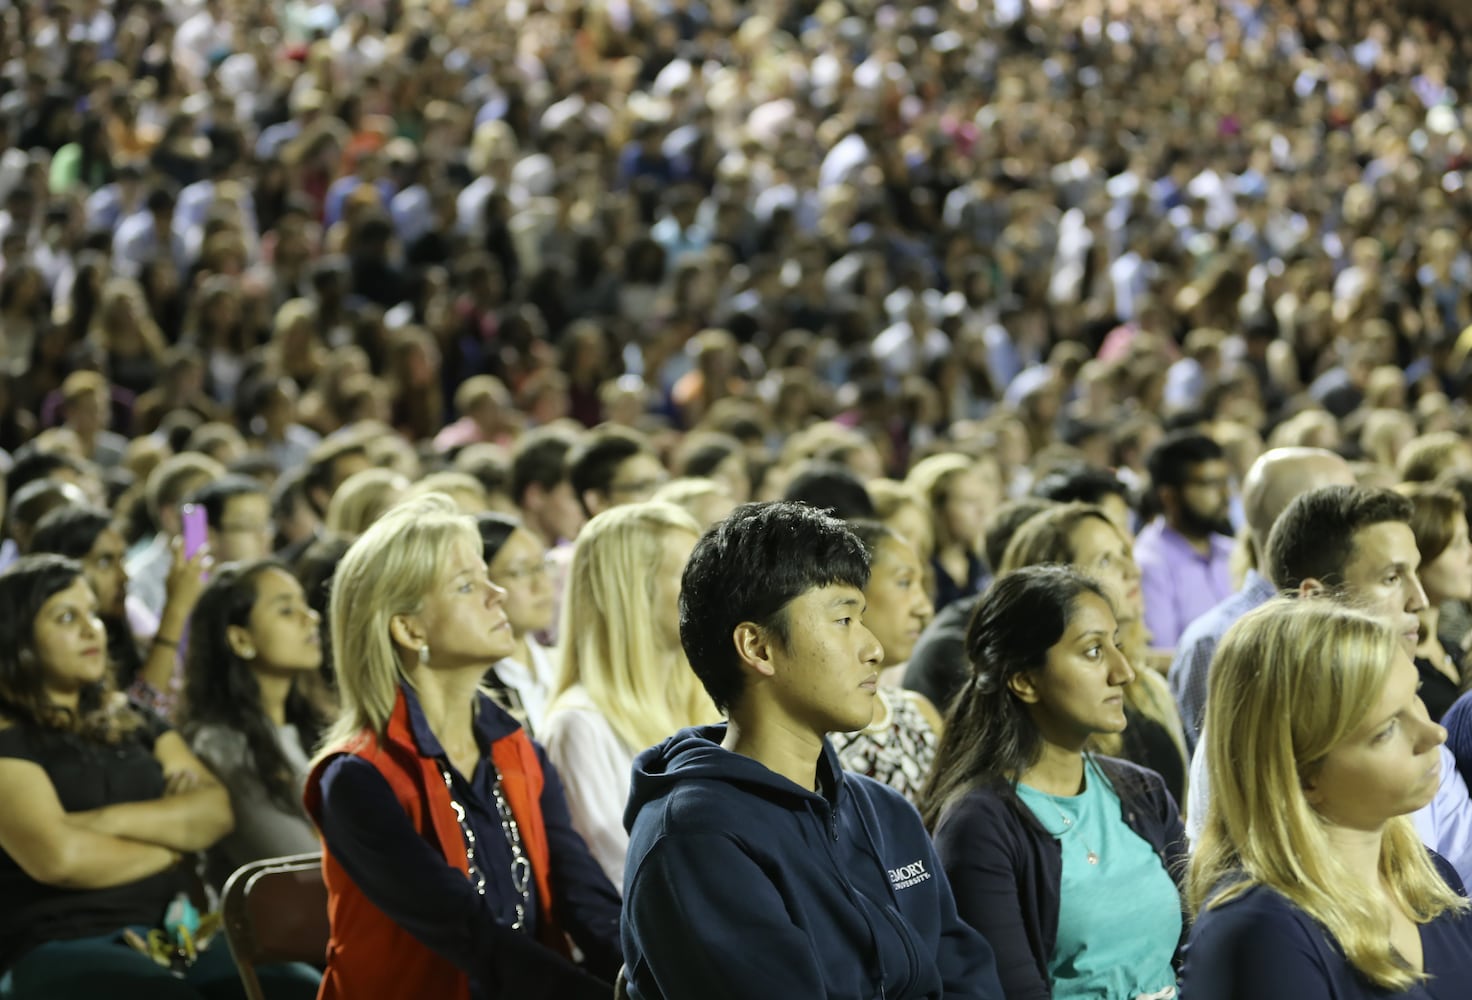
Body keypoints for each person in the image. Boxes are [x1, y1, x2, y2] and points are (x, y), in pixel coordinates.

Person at [621, 501, 1005, 1000]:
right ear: (758, 648)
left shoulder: (884, 811)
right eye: (843, 620)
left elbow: (967, 976)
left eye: (862, 618)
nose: (873, 649)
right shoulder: (695, 839)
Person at [303, 494, 620, 1000]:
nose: (497, 594)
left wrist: (650, 980)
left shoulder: (519, 750)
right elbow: (468, 933)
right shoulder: (357, 778)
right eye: (467, 585)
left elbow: (584, 899)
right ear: (409, 628)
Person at [0, 555, 314, 999]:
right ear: (18, 639)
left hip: (175, 936)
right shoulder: (8, 738)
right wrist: (173, 846)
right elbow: (59, 858)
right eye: (67, 617)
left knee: (301, 988)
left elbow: (214, 811)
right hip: (61, 941)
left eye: (92, 612)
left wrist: (97, 823)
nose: (92, 629)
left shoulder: (131, 718)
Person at [1181, 599, 1472, 999]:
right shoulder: (1261, 931)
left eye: (1415, 697)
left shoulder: (1429, 877)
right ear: (1301, 775)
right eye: (1387, 728)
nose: (1433, 735)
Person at [1185, 485, 1472, 886]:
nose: (1419, 600)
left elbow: (1464, 864)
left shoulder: (1413, 710)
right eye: (1391, 578)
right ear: (1316, 599)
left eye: (1415, 572)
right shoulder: (1255, 729)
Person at [922, 566, 1186, 1000]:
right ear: (1025, 680)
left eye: (1116, 645)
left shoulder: (1144, 793)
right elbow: (1011, 991)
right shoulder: (981, 825)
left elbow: (1198, 945)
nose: (1123, 672)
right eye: (1093, 652)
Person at [541, 501, 713, 888]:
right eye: (690, 571)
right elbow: (621, 878)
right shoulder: (580, 726)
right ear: (631, 591)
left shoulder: (708, 704)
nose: (711, 586)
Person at [998, 503, 1189, 804]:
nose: (1132, 570)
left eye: (1125, 553)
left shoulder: (1150, 687)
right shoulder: (1045, 728)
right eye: (1105, 561)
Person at [1168, 447, 1355, 752]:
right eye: (1346, 505)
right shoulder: (1217, 639)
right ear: (1302, 518)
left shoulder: (1362, 612)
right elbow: (1226, 776)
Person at [181, 560, 328, 889]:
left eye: (305, 605)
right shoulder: (222, 746)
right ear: (240, 639)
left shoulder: (311, 730)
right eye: (287, 611)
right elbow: (299, 861)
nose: (312, 618)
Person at [831, 520, 942, 803]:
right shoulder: (814, 728)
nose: (924, 607)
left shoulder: (919, 714)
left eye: (922, 585)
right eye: (904, 583)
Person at [1133, 431, 1236, 652]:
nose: (1226, 494)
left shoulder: (1231, 550)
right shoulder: (1149, 564)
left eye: (1225, 481)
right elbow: (1162, 656)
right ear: (1169, 497)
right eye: (1210, 484)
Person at [476, 512, 559, 736]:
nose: (541, 584)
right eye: (520, 572)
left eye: (542, 566)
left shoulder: (564, 666)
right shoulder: (479, 691)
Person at [1398, 483, 1472, 722]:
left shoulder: (1450, 647)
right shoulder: (1403, 666)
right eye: (1457, 545)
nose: (1470, 554)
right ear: (1420, 558)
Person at [907, 452, 998, 613]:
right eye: (969, 501)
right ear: (937, 508)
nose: (981, 511)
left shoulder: (982, 564)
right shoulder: (918, 568)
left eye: (981, 500)